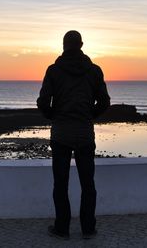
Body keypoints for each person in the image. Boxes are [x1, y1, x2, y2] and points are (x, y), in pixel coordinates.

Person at [37, 30, 111, 240]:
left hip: (61, 134)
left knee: (60, 184)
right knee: (88, 184)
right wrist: (89, 115)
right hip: (85, 134)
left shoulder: (54, 70)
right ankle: (88, 229)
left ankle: (62, 228)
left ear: (63, 45)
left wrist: (55, 116)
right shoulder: (94, 71)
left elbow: (43, 102)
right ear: (81, 45)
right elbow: (105, 102)